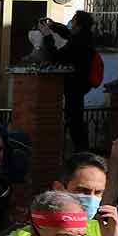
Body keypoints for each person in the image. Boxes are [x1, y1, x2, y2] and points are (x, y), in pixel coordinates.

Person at [40, 10, 98, 156]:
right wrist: (54, 26)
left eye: (73, 21)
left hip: (75, 85)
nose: (71, 24)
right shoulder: (85, 38)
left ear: (79, 25)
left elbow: (57, 57)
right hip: (80, 85)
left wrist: (48, 36)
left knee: (74, 121)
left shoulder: (79, 43)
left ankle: (82, 155)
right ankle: (82, 153)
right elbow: (68, 33)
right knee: (75, 119)